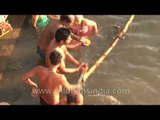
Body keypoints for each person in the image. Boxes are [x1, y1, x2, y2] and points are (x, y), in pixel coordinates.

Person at [21, 50, 88, 105]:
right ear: (60, 62)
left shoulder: (39, 69)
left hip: (42, 98)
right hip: (53, 103)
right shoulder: (60, 77)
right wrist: (79, 84)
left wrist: (34, 85)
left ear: (49, 59)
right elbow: (69, 88)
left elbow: (23, 79)